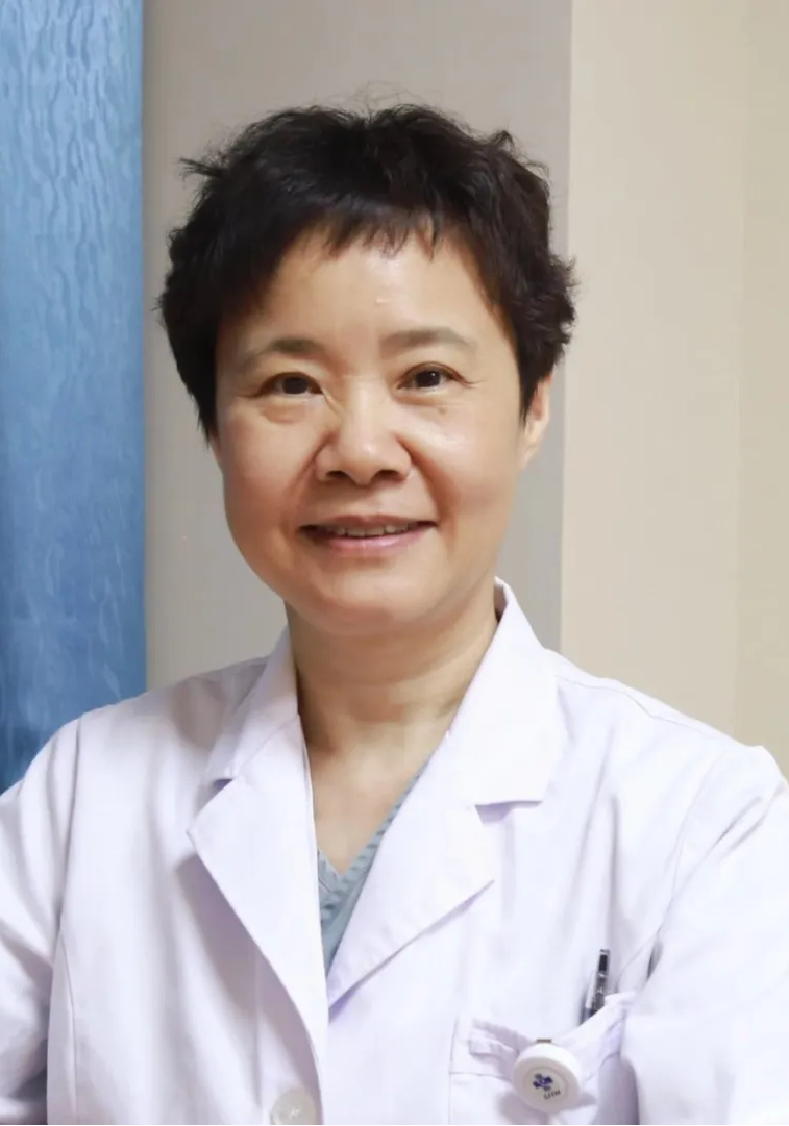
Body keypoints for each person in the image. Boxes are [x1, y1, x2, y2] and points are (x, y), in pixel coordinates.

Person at [0, 104, 787, 1126]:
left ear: (532, 404)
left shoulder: (701, 824)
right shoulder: (84, 795)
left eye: (427, 377)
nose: (361, 450)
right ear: (215, 428)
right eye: (290, 383)